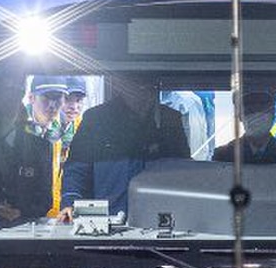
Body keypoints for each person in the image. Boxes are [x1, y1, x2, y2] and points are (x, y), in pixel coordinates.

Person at [59, 74, 190, 217]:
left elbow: (183, 170)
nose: (142, 92)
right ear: (122, 87)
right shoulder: (97, 119)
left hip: (159, 218)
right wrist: (70, 202)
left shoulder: (170, 120)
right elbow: (77, 168)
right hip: (107, 219)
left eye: (148, 87)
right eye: (136, 86)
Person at [0, 74, 88, 224]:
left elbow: (45, 199)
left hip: (28, 230)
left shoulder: (41, 146)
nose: (6, 107)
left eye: (12, 101)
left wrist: (20, 212)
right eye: (2, 100)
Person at [212, 86, 276, 164]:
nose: (257, 116)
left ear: (273, 113)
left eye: (262, 109)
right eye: (250, 110)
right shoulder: (222, 157)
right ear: (239, 116)